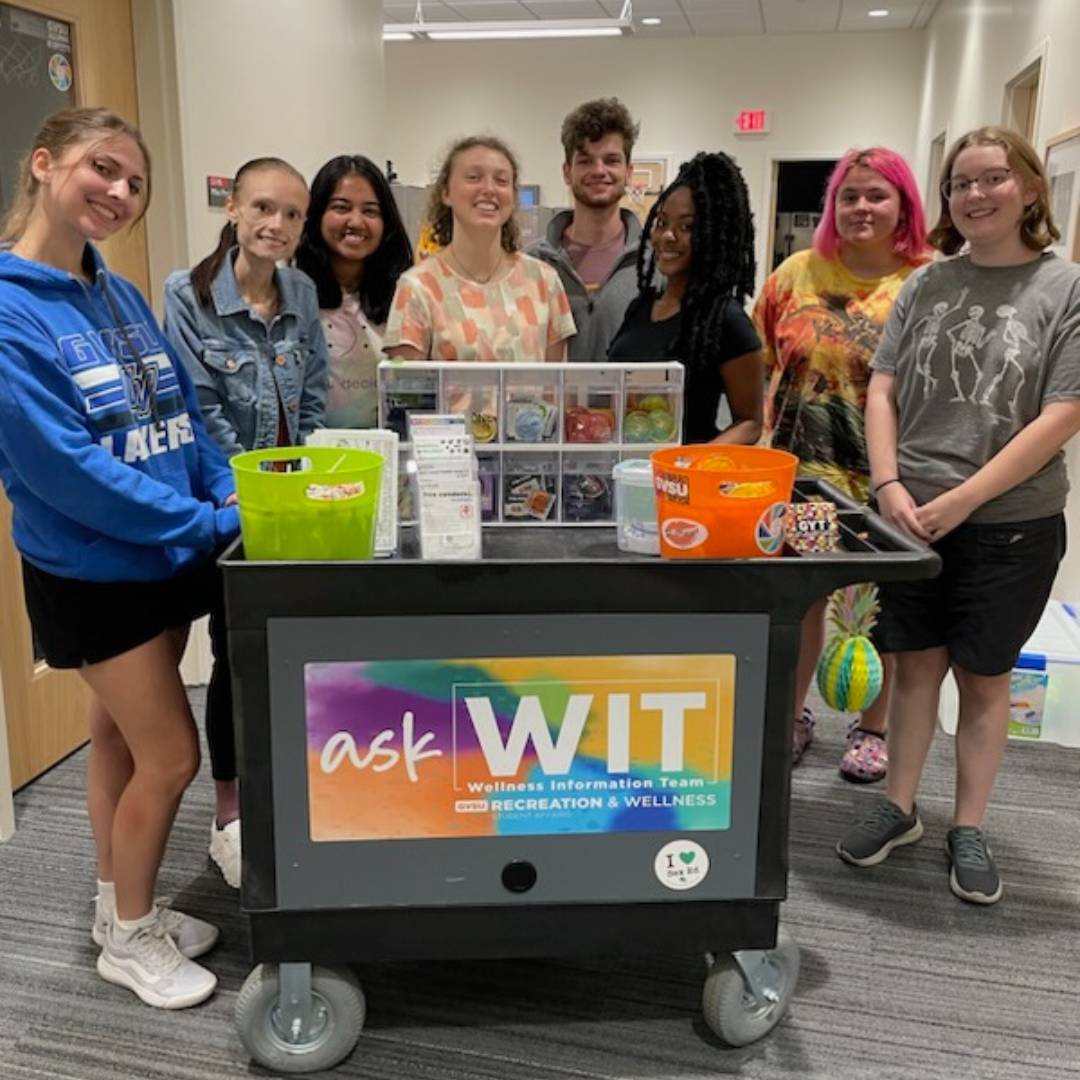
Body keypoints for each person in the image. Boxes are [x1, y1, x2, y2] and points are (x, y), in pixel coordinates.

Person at [0, 107, 239, 1007]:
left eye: (135, 183)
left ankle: (119, 907)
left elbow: (178, 418)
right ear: (44, 162)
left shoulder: (119, 292)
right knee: (171, 756)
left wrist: (223, 489)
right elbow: (65, 473)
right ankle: (131, 941)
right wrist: (201, 520)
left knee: (117, 742)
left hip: (164, 556)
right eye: (103, 169)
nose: (120, 193)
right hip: (94, 574)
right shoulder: (9, 312)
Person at [836, 126, 1080, 906]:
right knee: (913, 668)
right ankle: (898, 807)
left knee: (983, 679)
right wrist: (887, 487)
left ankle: (967, 824)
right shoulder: (927, 285)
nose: (975, 196)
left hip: (1011, 523)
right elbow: (883, 389)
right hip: (911, 513)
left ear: (1031, 189)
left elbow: (1064, 411)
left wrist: (967, 498)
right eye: (960, 184)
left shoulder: (1064, 288)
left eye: (993, 180)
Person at [163, 157, 328, 888]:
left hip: (298, 510)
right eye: (263, 207)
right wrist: (255, 496)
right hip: (231, 508)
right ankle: (228, 812)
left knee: (295, 656)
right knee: (235, 655)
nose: (277, 226)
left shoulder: (302, 291)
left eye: (292, 215)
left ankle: (292, 795)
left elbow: (315, 397)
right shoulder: (187, 296)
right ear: (233, 207)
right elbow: (199, 416)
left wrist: (307, 486)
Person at [754, 147, 931, 777]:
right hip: (804, 479)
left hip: (890, 481)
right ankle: (794, 716)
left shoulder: (925, 281)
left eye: (877, 195)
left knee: (879, 611)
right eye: (849, 195)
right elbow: (768, 369)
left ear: (904, 205)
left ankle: (873, 728)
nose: (861, 207)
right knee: (803, 605)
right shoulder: (795, 273)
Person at [608, 152, 763, 445]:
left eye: (687, 227)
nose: (668, 236)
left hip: (683, 479)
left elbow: (750, 422)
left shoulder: (725, 319)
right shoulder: (640, 306)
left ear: (713, 234)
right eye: (662, 222)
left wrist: (692, 465)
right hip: (628, 471)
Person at [383, 136, 575, 361]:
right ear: (445, 192)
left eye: (502, 181)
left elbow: (557, 389)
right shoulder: (418, 288)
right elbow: (405, 392)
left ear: (513, 197)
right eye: (474, 177)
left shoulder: (544, 282)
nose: (489, 189)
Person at [296, 155, 413, 428]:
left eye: (370, 211)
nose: (356, 221)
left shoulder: (406, 295)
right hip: (314, 456)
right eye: (341, 207)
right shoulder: (292, 294)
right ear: (316, 213)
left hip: (384, 454)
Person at [527, 97, 642, 360]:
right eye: (586, 161)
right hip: (553, 403)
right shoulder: (532, 265)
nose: (599, 170)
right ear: (567, 172)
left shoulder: (654, 265)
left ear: (628, 171)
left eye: (611, 160)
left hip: (628, 403)